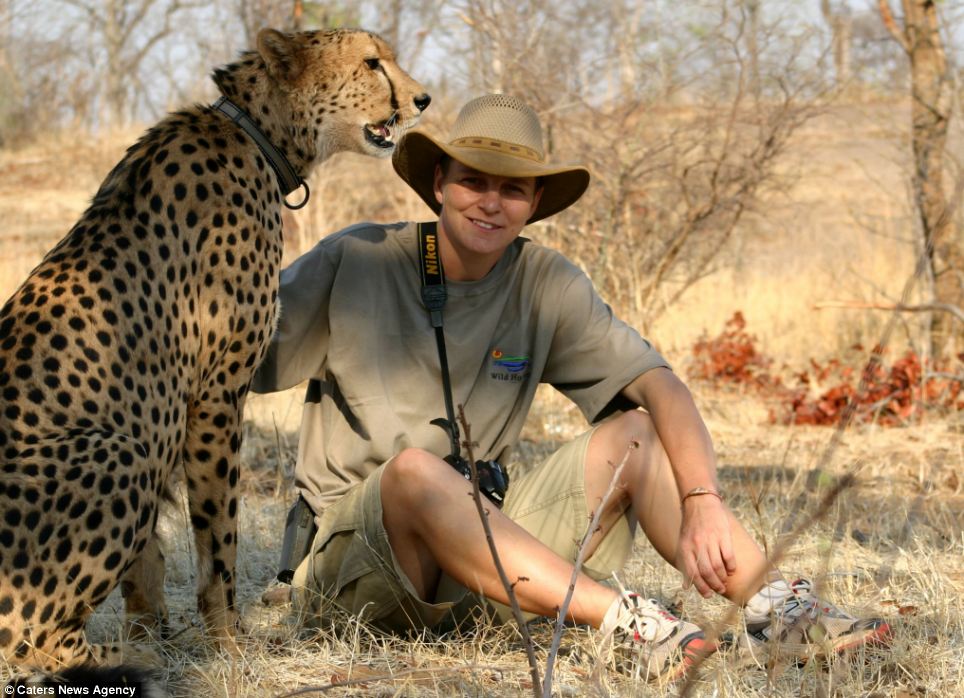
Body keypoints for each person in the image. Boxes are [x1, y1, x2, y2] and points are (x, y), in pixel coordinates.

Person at [251, 94, 890, 681]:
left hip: (476, 567)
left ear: (534, 203)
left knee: (637, 432)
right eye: (473, 180)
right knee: (415, 471)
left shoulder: (544, 282)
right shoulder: (356, 259)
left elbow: (661, 386)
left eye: (512, 188)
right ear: (439, 183)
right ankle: (625, 622)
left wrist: (702, 500)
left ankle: (778, 611)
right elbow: (232, 360)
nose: (490, 202)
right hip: (354, 569)